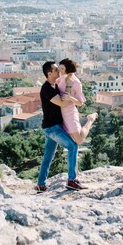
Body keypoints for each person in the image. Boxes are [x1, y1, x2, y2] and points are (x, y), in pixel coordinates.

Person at [36, 61, 87, 193]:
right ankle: (72, 180)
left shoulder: (55, 85)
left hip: (50, 127)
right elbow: (62, 104)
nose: (58, 70)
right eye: (55, 69)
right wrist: (71, 98)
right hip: (53, 128)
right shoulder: (47, 88)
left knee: (48, 156)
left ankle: (41, 184)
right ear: (49, 73)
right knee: (73, 146)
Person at [57, 58, 98, 145]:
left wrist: (70, 98)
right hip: (60, 113)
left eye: (62, 69)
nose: (60, 71)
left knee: (79, 141)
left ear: (68, 69)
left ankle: (91, 119)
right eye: (59, 68)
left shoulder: (76, 83)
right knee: (72, 139)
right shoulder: (61, 78)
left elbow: (81, 102)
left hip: (70, 113)